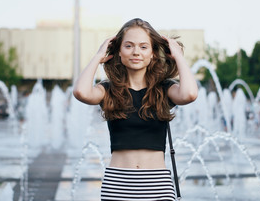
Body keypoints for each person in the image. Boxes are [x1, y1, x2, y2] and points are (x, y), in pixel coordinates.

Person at [73, 18, 198, 200]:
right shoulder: (109, 90)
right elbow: (80, 91)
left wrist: (178, 56)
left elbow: (190, 94)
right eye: (129, 46)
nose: (136, 52)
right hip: (117, 185)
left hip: (158, 186)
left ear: (153, 53)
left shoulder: (164, 89)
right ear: (119, 52)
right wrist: (98, 56)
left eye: (143, 47)